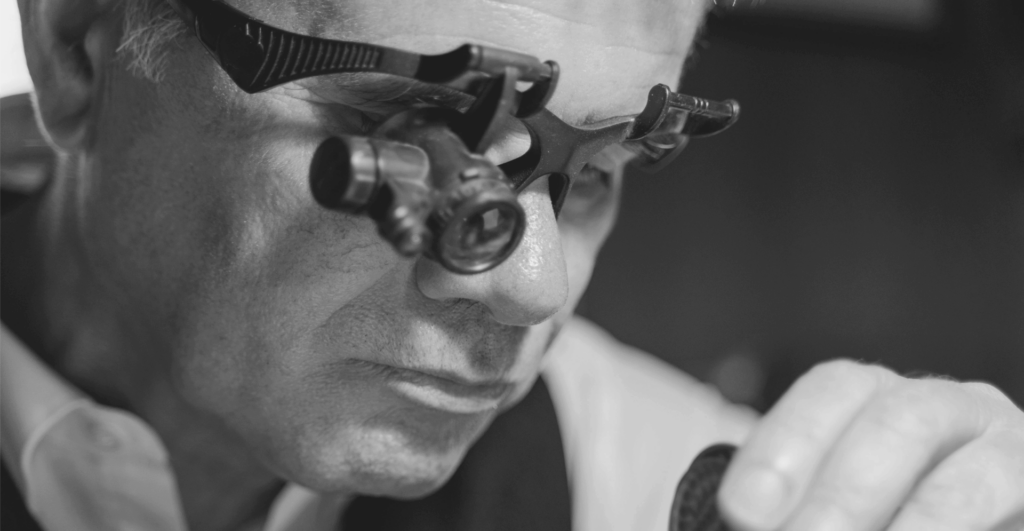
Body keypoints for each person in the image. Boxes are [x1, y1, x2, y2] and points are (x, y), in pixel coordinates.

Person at [1, 0, 1022, 530]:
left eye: (592, 178)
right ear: (79, 47)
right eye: (408, 134)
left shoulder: (646, 476)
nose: (536, 288)